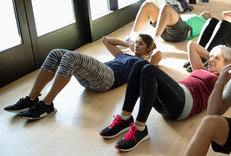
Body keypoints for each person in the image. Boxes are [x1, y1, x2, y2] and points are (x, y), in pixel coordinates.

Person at [99, 44, 231, 152]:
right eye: (210, 57)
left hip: (184, 104)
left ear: (227, 63)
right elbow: (192, 45)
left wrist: (225, 66)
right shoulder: (200, 69)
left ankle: (140, 129)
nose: (211, 59)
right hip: (171, 99)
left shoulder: (222, 81)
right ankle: (125, 118)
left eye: (216, 58)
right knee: (139, 64)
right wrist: (214, 56)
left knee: (149, 70)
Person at [4, 35, 161, 120]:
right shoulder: (122, 54)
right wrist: (129, 45)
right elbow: (106, 39)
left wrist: (151, 53)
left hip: (108, 78)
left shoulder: (143, 64)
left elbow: (157, 58)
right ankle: (31, 99)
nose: (137, 45)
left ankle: (47, 104)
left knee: (71, 56)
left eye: (141, 44)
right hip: (95, 76)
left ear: (148, 48)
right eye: (137, 42)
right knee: (56, 53)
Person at [126, 0, 212, 43]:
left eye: (207, 14)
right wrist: (202, 15)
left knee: (166, 7)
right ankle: (132, 38)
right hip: (164, 29)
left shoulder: (207, 23)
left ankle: (152, 43)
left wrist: (209, 18)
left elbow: (218, 27)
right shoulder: (197, 16)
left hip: (181, 32)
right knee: (148, 4)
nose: (206, 12)